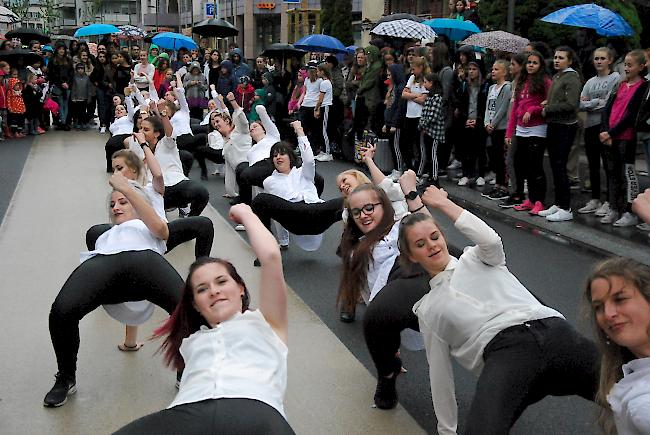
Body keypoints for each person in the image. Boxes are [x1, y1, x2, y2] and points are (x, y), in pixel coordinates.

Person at [398, 184, 599, 434]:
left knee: (627, 388)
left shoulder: (478, 258)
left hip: (554, 332)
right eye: (419, 244)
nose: (431, 245)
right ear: (412, 256)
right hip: (506, 354)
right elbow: (439, 376)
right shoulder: (428, 310)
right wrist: (446, 431)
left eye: (434, 236)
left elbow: (490, 239)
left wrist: (443, 204)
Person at [113, 204, 294, 435]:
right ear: (196, 305)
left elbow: (270, 257)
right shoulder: (191, 342)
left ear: (240, 288)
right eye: (201, 289)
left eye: (221, 281)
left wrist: (247, 214)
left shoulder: (267, 324)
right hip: (189, 412)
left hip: (255, 410)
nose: (213, 291)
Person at [43, 173, 184, 408]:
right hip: (105, 263)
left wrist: (127, 189)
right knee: (61, 311)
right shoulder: (104, 234)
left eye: (123, 202)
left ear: (139, 205)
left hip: (144, 261)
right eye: (112, 204)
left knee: (188, 307)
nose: (116, 207)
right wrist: (122, 193)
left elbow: (163, 230)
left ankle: (187, 369)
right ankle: (66, 376)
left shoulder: (147, 226)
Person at [251, 121, 343, 251]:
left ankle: (347, 246)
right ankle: (267, 250)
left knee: (350, 201)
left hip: (315, 213)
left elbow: (309, 160)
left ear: (290, 157)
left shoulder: (303, 172)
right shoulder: (269, 181)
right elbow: (275, 213)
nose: (278, 157)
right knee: (260, 200)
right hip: (293, 217)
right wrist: (283, 241)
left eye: (282, 154)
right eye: (274, 155)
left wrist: (300, 131)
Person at [585, 257, 650, 435]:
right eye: (598, 307)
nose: (608, 314)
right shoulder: (630, 377)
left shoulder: (642, 405)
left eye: (620, 299)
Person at [599, 49, 648, 227]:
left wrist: (612, 133)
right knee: (612, 174)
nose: (626, 68)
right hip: (609, 136)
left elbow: (631, 115)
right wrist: (605, 130)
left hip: (625, 137)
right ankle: (613, 207)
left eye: (630, 65)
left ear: (641, 67)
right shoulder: (619, 85)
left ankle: (629, 210)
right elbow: (607, 108)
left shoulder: (642, 86)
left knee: (628, 175)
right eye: (625, 65)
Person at [538, 46, 583, 222]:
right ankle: (558, 203)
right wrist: (547, 103)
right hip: (554, 124)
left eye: (561, 58)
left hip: (565, 126)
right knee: (555, 166)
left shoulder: (572, 78)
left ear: (570, 61)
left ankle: (566, 207)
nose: (557, 60)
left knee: (560, 165)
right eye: (556, 57)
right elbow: (557, 99)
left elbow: (571, 104)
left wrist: (548, 108)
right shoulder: (558, 76)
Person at [506, 51, 551, 214]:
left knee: (535, 167)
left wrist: (533, 110)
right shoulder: (521, 82)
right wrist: (509, 133)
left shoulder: (545, 82)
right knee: (522, 165)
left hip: (537, 128)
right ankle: (530, 199)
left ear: (541, 65)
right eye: (529, 62)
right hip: (521, 129)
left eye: (535, 63)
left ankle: (539, 200)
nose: (531, 65)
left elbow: (548, 104)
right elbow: (515, 111)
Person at [577, 47, 621, 217]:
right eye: (596, 58)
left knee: (608, 165)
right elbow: (580, 104)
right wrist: (596, 102)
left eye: (602, 58)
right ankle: (595, 198)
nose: (599, 61)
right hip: (590, 126)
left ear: (610, 60)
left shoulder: (615, 78)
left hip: (605, 127)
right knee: (592, 165)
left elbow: (609, 103)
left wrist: (590, 102)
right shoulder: (589, 82)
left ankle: (610, 201)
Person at [482, 60, 512, 201]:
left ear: (504, 72)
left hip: (501, 127)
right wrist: (486, 122)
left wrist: (493, 123)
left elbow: (503, 108)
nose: (493, 71)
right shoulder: (491, 87)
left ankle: (503, 186)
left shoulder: (507, 87)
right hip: (491, 127)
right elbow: (488, 107)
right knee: (494, 156)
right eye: (493, 69)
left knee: (501, 158)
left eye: (497, 69)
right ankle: (497, 185)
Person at [456, 60, 488, 187]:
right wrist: (465, 119)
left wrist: (478, 120)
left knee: (480, 149)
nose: (471, 72)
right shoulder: (464, 85)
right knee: (465, 149)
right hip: (466, 119)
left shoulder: (485, 86)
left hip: (479, 121)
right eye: (469, 69)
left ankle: (480, 174)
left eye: (474, 69)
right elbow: (460, 104)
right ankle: (466, 174)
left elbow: (485, 106)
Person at [400, 56, 429, 174]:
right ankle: (409, 166)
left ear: (421, 68)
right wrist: (415, 95)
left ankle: (420, 169)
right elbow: (404, 94)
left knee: (419, 143)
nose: (412, 72)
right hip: (409, 115)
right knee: (406, 142)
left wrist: (410, 95)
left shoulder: (425, 80)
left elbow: (424, 100)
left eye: (414, 69)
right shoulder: (412, 78)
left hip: (419, 115)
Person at [418, 73, 446, 187]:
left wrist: (422, 124)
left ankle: (435, 177)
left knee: (433, 154)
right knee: (427, 154)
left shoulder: (437, 98)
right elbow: (425, 112)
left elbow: (432, 116)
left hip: (434, 132)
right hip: (427, 130)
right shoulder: (429, 97)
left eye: (426, 82)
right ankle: (429, 174)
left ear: (432, 83)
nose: (424, 84)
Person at [383, 63, 407, 179]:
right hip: (390, 120)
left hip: (396, 123)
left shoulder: (400, 87)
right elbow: (389, 106)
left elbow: (399, 107)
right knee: (392, 146)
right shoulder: (393, 87)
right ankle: (395, 169)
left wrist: (394, 124)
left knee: (396, 146)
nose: (388, 76)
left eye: (390, 74)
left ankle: (399, 169)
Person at [313, 62, 334, 161]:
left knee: (324, 130)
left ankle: (328, 153)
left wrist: (316, 108)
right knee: (321, 129)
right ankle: (323, 151)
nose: (316, 73)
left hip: (326, 106)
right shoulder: (325, 82)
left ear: (322, 71)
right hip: (324, 106)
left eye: (317, 71)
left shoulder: (324, 83)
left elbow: (321, 99)